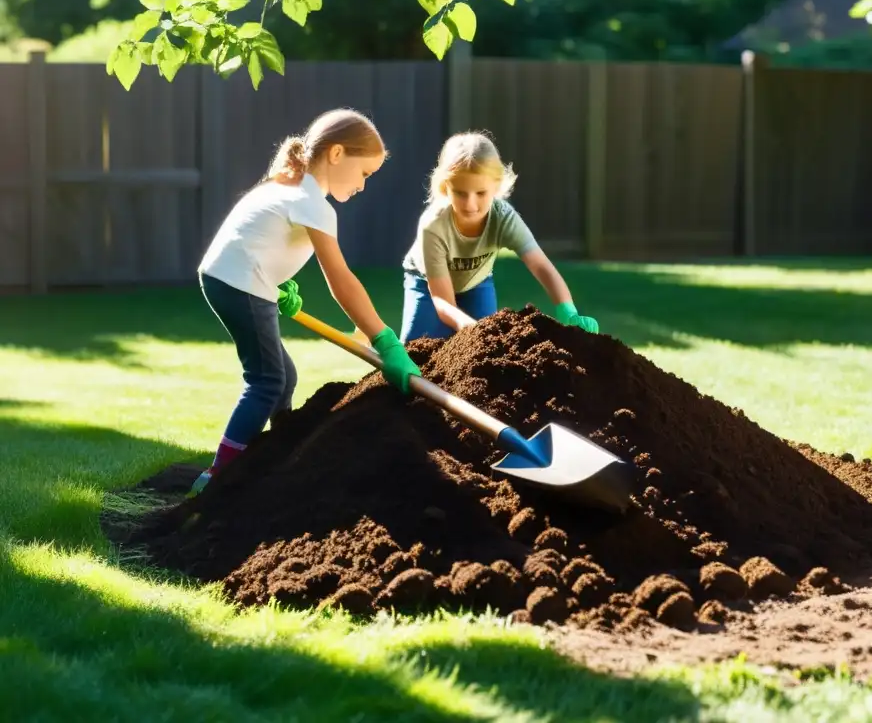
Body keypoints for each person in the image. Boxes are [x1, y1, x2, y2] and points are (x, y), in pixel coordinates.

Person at [189, 108, 422, 496]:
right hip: (241, 285)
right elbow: (341, 281)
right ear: (335, 155)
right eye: (364, 173)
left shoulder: (287, 187)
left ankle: (282, 452)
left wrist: (278, 284)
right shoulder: (312, 203)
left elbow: (254, 237)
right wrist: (385, 340)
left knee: (283, 376)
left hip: (231, 280)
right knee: (266, 380)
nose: (364, 186)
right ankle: (218, 476)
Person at [399, 131, 599, 342]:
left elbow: (541, 266)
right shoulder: (434, 226)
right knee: (415, 351)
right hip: (426, 283)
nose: (470, 205)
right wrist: (470, 329)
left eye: (481, 193)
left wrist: (568, 310)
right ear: (444, 187)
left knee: (489, 353)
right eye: (460, 193)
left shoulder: (503, 218)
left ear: (497, 186)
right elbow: (443, 302)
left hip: (477, 282)